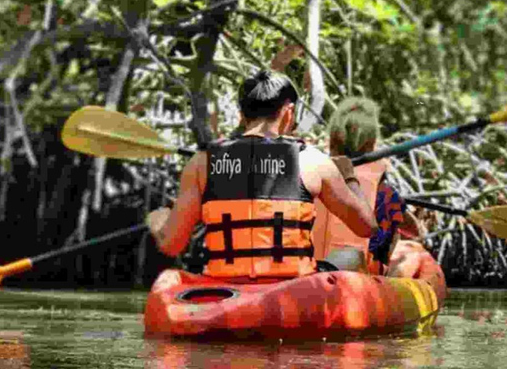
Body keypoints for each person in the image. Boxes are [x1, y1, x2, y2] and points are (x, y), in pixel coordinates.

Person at [146, 70, 377, 281]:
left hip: (226, 290)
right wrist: (349, 176)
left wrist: (158, 218)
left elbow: (171, 245)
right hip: (295, 291)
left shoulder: (201, 163)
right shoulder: (313, 161)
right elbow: (366, 227)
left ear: (242, 115)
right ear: (289, 113)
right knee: (350, 256)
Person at [311, 97, 427, 276]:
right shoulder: (385, 195)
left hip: (310, 273)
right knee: (413, 251)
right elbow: (415, 232)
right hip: (359, 278)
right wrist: (418, 218)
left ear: (332, 141)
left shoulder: (309, 178)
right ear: (372, 144)